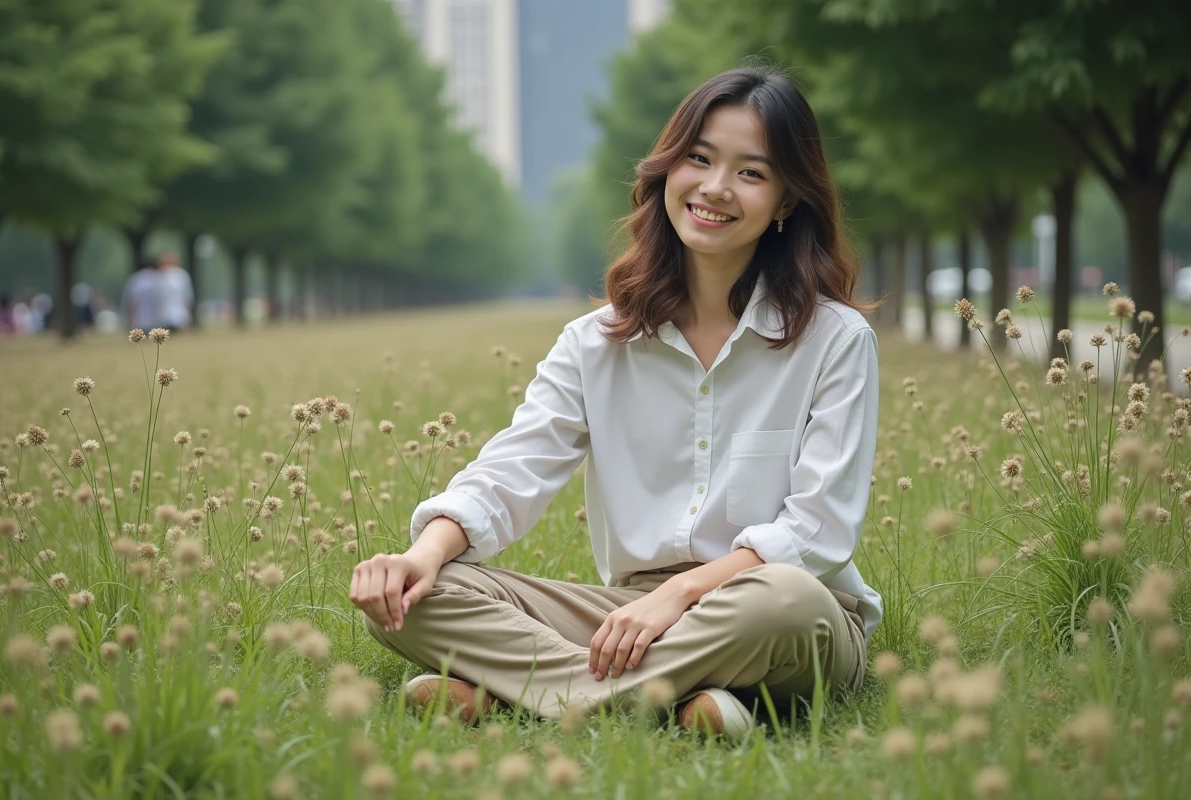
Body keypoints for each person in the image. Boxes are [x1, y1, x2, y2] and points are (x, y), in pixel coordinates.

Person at [350, 64, 882, 738]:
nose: (715, 188)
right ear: (667, 171)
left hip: (771, 606)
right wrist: (423, 555)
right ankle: (685, 699)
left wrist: (681, 594)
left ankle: (528, 694)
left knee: (787, 603)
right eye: (699, 158)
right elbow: (511, 471)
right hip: (622, 612)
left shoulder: (835, 340)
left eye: (751, 172)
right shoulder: (594, 343)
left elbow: (818, 531)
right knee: (410, 598)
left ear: (784, 202)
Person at [154, 251, 194, 332]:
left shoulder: (160, 275)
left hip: (168, 315)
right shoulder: (181, 274)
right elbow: (188, 296)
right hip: (175, 314)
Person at [121, 257, 161, 333]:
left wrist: (128, 322)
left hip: (138, 321)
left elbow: (129, 302)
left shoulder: (135, 279)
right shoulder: (158, 278)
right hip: (156, 322)